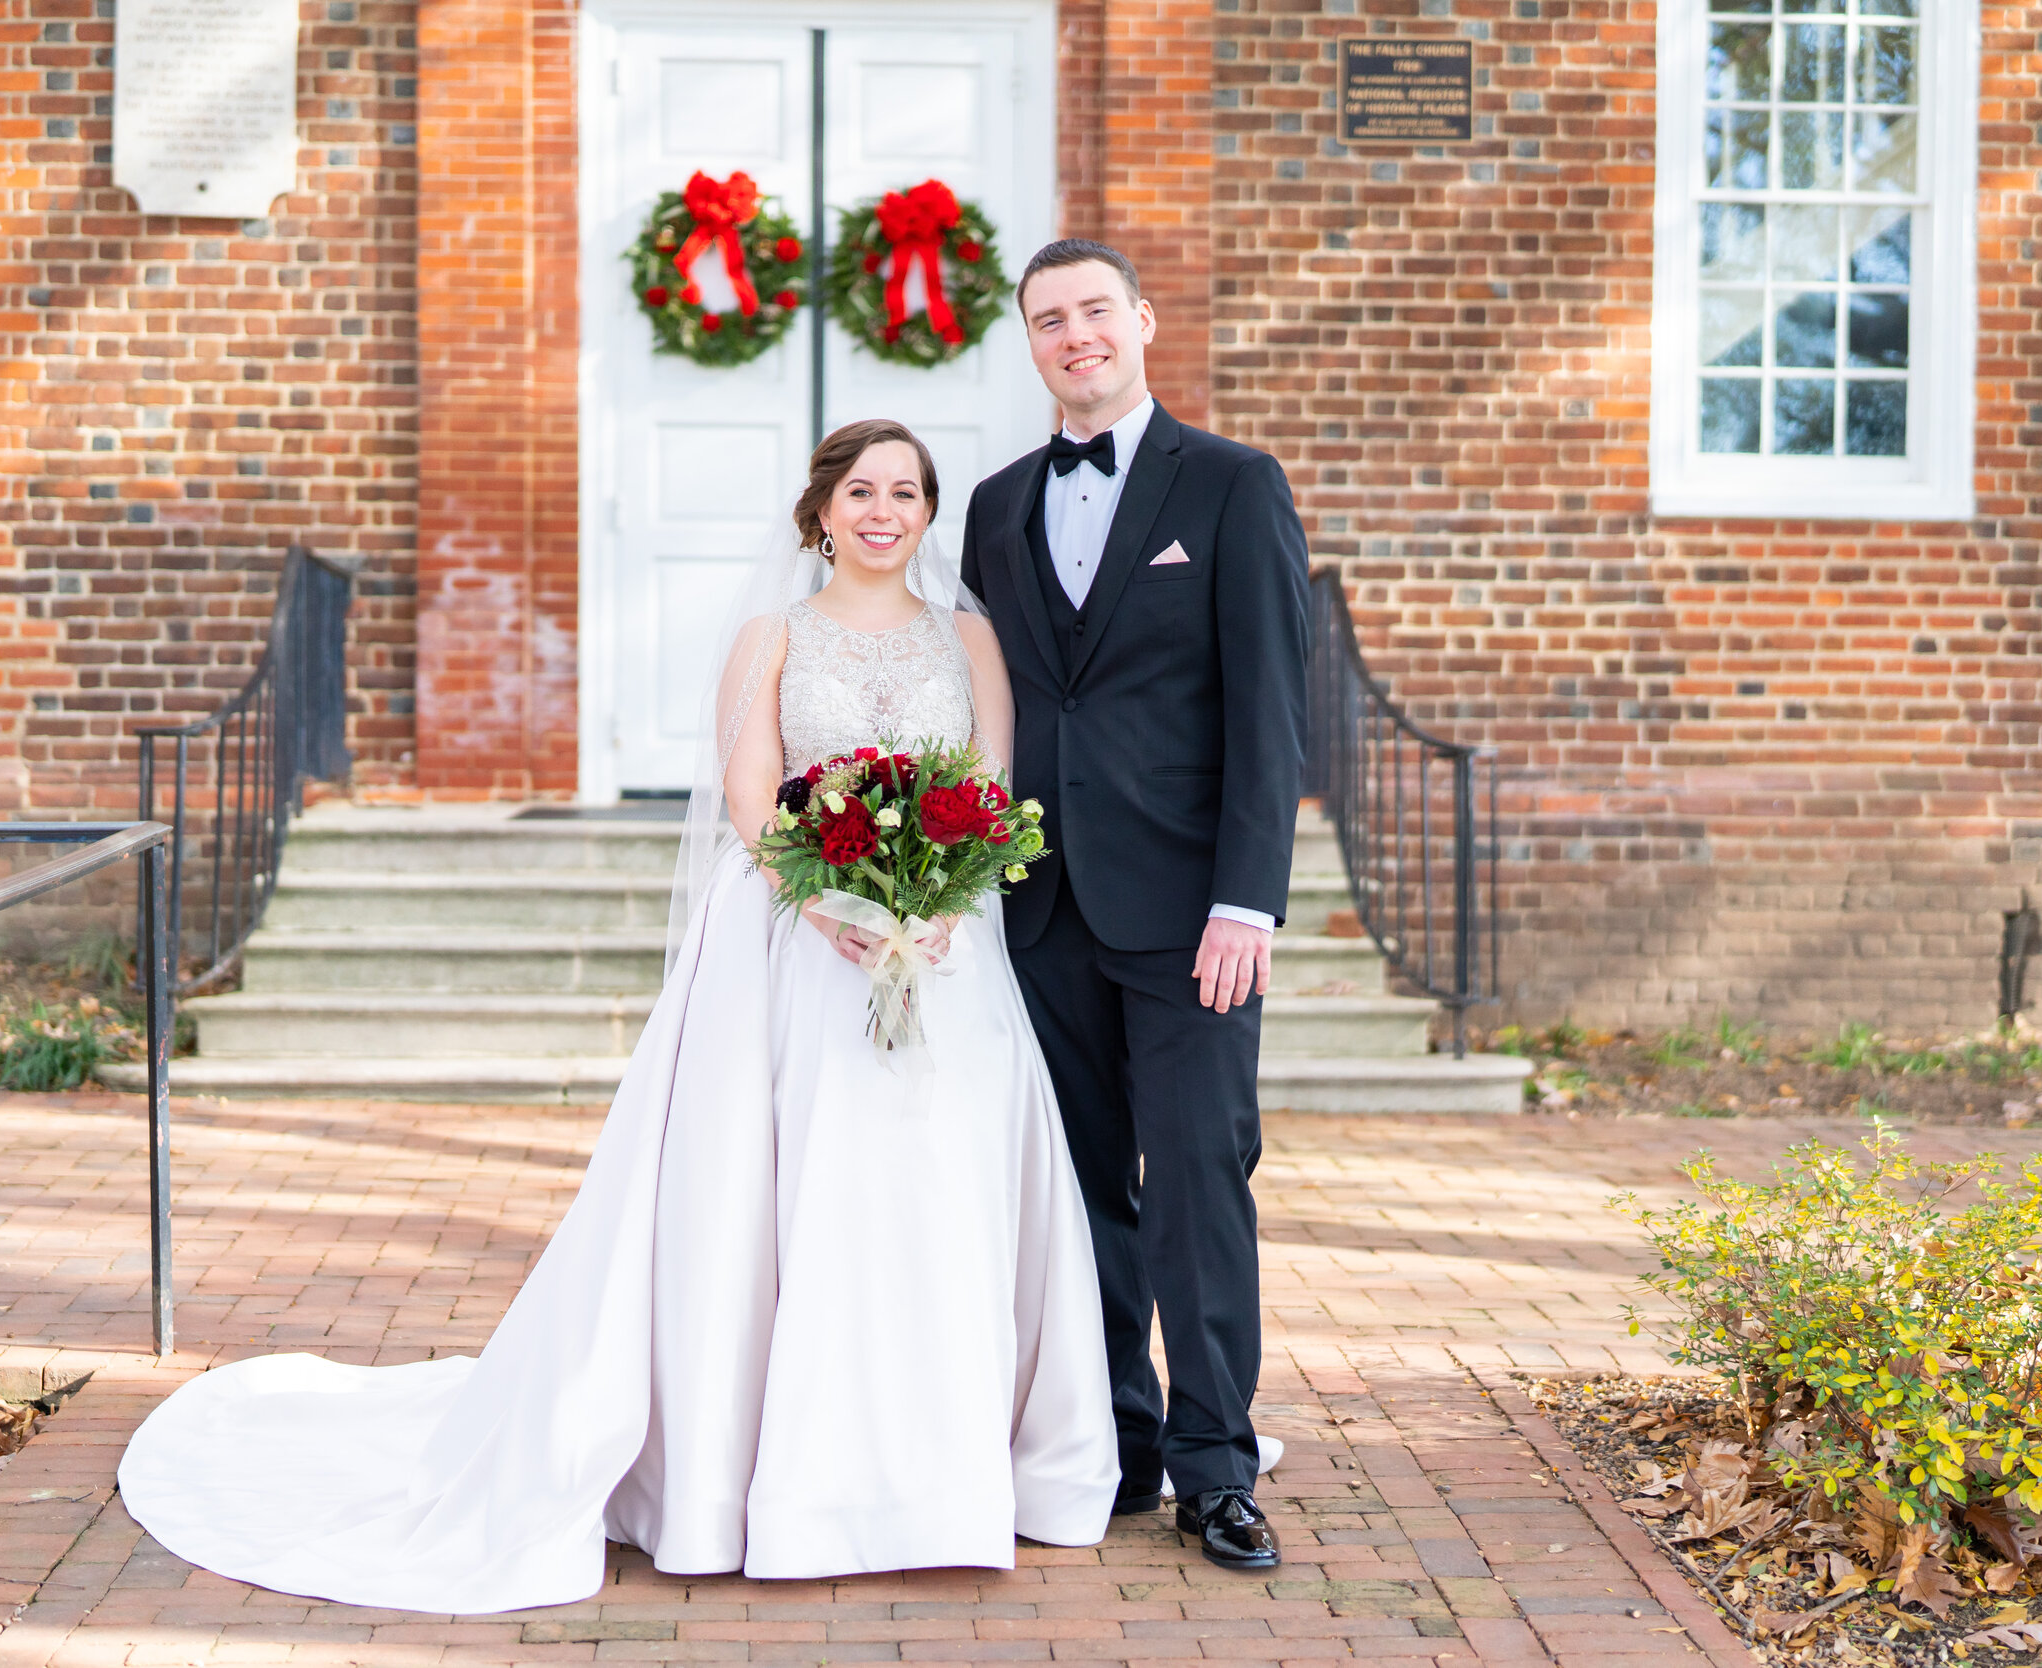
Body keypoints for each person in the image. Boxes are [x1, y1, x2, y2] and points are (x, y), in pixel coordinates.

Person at [116, 420, 1119, 1613]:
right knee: (782, 1199)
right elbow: (753, 800)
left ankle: (935, 1473)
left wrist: (941, 905)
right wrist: (831, 911)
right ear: (820, 512)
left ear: (926, 510)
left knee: (935, 1193)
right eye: (861, 490)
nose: (884, 511)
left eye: (905, 491)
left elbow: (990, 792)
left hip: (945, 960)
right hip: (794, 953)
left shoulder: (969, 638)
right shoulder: (773, 636)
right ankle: (759, 1478)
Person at [957, 238, 1311, 1572]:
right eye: (1049, 320)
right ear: (1032, 345)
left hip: (1189, 916)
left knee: (1200, 1184)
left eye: (1095, 311)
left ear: (1142, 323)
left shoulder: (1229, 486)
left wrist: (1250, 904)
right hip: (1040, 909)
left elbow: (1272, 716)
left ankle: (1220, 1466)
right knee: (1081, 1189)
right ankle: (1121, 1439)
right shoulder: (994, 506)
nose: (1075, 336)